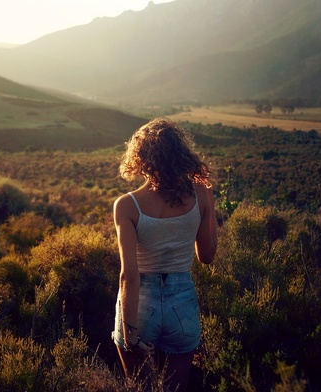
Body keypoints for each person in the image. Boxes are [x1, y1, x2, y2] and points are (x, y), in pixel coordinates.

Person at [111, 118, 218, 391]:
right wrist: (208, 208)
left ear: (141, 158)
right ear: (181, 153)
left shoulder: (127, 205)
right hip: (181, 302)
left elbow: (129, 277)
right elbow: (207, 256)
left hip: (139, 304)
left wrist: (131, 333)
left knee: (140, 388)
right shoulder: (201, 192)